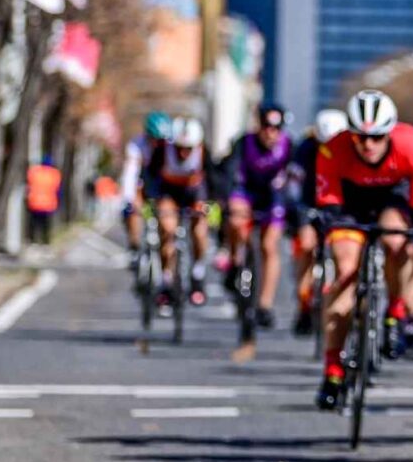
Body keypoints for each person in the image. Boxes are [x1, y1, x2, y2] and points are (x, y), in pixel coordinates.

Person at [312, 91, 413, 410]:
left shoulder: (411, 144)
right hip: (350, 204)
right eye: (361, 138)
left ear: (389, 133)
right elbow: (330, 204)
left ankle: (396, 311)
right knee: (347, 269)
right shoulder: (332, 149)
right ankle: (333, 370)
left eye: (377, 138)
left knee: (397, 239)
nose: (368, 146)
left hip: (391, 198)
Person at [224, 103, 296, 330]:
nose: (270, 132)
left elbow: (294, 180)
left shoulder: (288, 146)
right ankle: (235, 261)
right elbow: (230, 175)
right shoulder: (244, 143)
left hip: (272, 197)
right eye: (266, 126)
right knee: (236, 220)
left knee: (269, 246)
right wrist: (230, 203)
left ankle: (264, 304)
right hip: (246, 191)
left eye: (276, 127)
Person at [289, 109, 347, 336]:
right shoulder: (305, 148)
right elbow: (294, 183)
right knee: (306, 245)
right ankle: (304, 302)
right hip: (309, 202)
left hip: (339, 205)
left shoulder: (350, 149)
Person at [144, 116, 212, 309]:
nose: (183, 152)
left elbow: (214, 179)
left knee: (199, 231)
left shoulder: (202, 152)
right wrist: (151, 198)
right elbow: (149, 176)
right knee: (167, 228)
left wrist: (213, 203)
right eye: (180, 147)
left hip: (194, 193)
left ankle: (197, 274)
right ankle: (166, 279)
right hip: (169, 193)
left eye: (188, 148)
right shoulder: (162, 151)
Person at [118, 113, 169, 256]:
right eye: (155, 139)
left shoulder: (169, 146)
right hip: (141, 183)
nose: (158, 143)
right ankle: (135, 245)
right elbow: (130, 173)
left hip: (161, 184)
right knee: (133, 210)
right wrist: (129, 198)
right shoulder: (136, 146)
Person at [25, 159, 61, 245]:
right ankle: (45, 241)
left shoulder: (34, 172)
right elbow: (58, 190)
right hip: (48, 204)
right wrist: (59, 202)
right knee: (45, 225)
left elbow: (28, 186)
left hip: (34, 202)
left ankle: (32, 240)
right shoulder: (54, 174)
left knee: (34, 223)